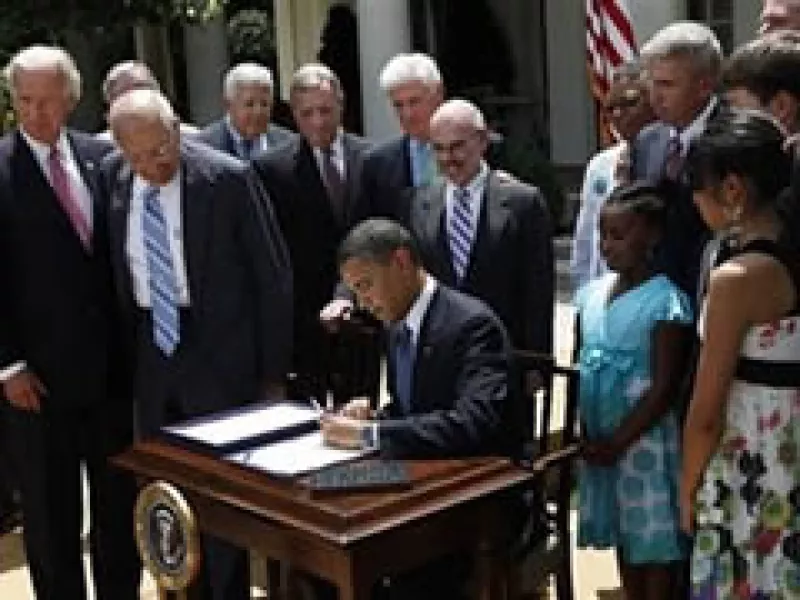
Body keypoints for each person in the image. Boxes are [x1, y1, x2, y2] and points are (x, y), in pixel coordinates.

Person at [104, 88, 293, 600]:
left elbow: (272, 279)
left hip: (221, 355)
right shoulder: (112, 180)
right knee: (167, 496)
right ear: (119, 149)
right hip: (153, 353)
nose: (153, 166)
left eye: (160, 150)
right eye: (138, 156)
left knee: (222, 499)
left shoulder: (227, 178)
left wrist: (273, 375)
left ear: (176, 128)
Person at [0, 45, 140, 600]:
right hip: (36, 382)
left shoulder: (100, 160)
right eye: (24, 101)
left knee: (116, 505)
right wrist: (7, 364)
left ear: (72, 100)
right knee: (51, 516)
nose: (36, 113)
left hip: (109, 375)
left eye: (48, 101)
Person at [680, 110, 800, 598]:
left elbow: (706, 410)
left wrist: (687, 485)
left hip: (752, 454)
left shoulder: (738, 279)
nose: (693, 199)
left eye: (698, 186)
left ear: (732, 190)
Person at [574, 181, 693, 600]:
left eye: (620, 235)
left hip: (644, 442)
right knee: (624, 534)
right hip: (602, 444)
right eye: (603, 235)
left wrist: (620, 440)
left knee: (653, 542)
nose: (608, 245)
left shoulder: (666, 301)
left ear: (653, 237)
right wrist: (586, 435)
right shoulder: (589, 297)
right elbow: (580, 369)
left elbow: (664, 387)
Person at [321, 218, 517, 459]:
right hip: (422, 466)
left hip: (479, 475)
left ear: (401, 262)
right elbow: (413, 410)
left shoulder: (473, 325)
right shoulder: (396, 322)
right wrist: (374, 417)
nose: (362, 303)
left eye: (365, 285)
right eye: (356, 291)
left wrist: (371, 434)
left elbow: (473, 423)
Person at [252, 63, 371, 399]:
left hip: (366, 312)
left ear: (341, 106)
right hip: (304, 320)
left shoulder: (372, 158)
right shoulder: (270, 170)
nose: (318, 121)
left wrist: (350, 295)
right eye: (307, 113)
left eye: (325, 110)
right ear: (293, 114)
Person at [631, 21, 724, 300]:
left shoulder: (731, 137)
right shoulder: (648, 141)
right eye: (652, 82)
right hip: (656, 300)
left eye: (667, 85)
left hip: (712, 295)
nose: (655, 97)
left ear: (704, 86)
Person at [571, 61, 656, 289]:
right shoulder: (600, 165)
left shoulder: (670, 159)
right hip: (602, 291)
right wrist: (583, 295)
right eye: (611, 108)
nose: (618, 115)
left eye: (630, 103)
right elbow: (585, 240)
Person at [196, 62, 295, 160]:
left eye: (264, 104)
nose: (258, 112)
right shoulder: (203, 147)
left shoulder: (289, 144)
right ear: (228, 105)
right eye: (249, 104)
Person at [97, 61, 197, 141]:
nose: (136, 99)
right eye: (126, 94)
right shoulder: (101, 149)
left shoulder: (193, 139)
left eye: (141, 88)